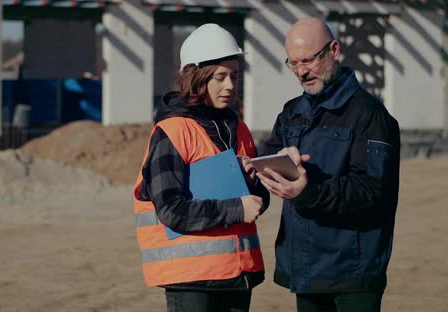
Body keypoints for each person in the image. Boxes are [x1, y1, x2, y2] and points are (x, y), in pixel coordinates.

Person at [257, 17, 401, 312]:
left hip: (352, 275)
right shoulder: (291, 113)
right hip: (306, 272)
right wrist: (263, 167)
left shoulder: (370, 115)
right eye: (293, 64)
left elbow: (371, 190)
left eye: (308, 60)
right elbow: (264, 162)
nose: (301, 72)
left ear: (334, 50)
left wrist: (307, 191)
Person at [133, 24, 270, 312]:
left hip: (239, 275)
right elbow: (171, 209)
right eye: (220, 77)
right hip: (193, 282)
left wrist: (253, 182)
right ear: (197, 78)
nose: (230, 85)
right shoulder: (172, 131)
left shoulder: (240, 129)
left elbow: (257, 202)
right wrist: (235, 208)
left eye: (233, 75)